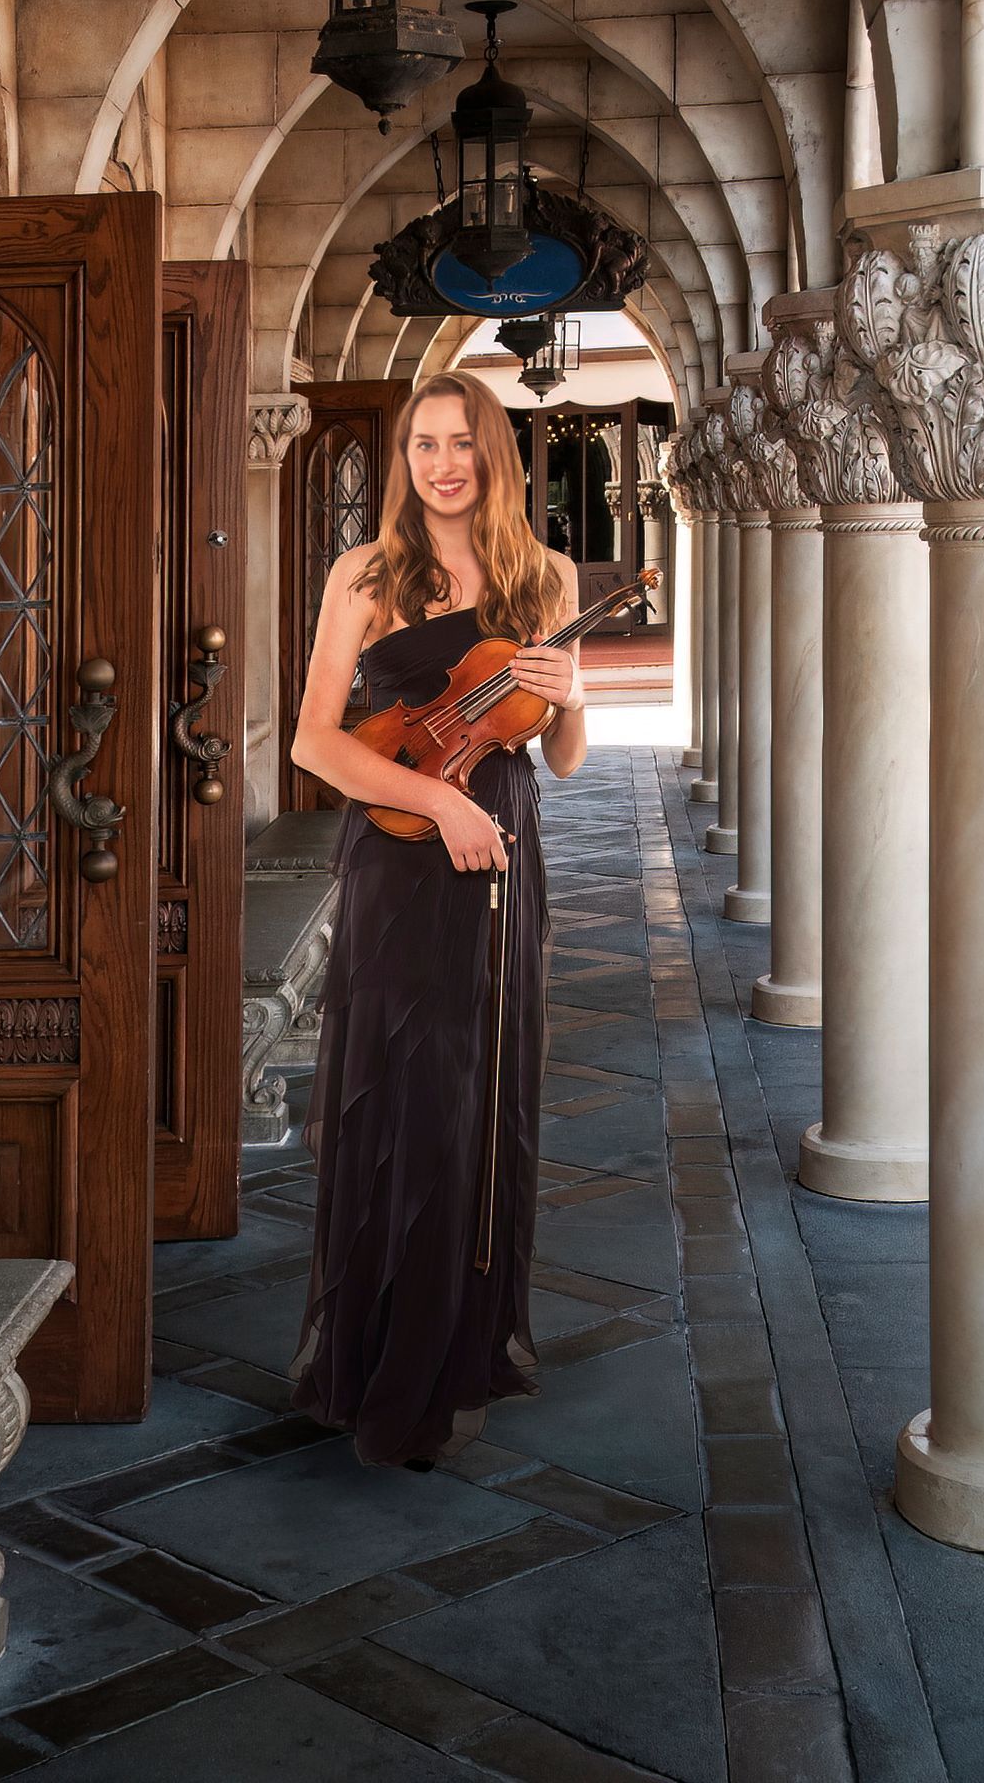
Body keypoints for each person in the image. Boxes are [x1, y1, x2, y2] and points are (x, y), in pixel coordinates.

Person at [288, 370, 587, 1470]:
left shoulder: (545, 576)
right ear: (403, 458)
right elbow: (315, 742)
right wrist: (439, 799)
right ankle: (382, 1361)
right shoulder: (364, 574)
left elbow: (563, 758)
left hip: (501, 851)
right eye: (423, 444)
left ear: (493, 455)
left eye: (462, 443)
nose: (442, 464)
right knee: (398, 1087)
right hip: (403, 843)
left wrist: (573, 695)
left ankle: (457, 1351)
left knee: (478, 1093)